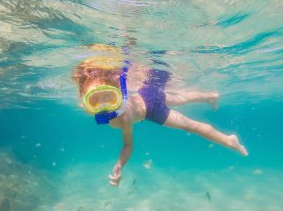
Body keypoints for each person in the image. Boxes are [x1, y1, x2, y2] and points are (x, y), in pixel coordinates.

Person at [72, 44, 248, 186]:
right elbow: (127, 146)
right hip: (146, 93)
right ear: (84, 102)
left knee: (191, 125)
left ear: (120, 93)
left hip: (153, 110)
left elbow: (128, 146)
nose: (104, 107)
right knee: (181, 99)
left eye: (109, 98)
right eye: (95, 101)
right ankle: (211, 96)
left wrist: (119, 165)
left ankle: (228, 140)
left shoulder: (122, 119)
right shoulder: (117, 113)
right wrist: (119, 165)